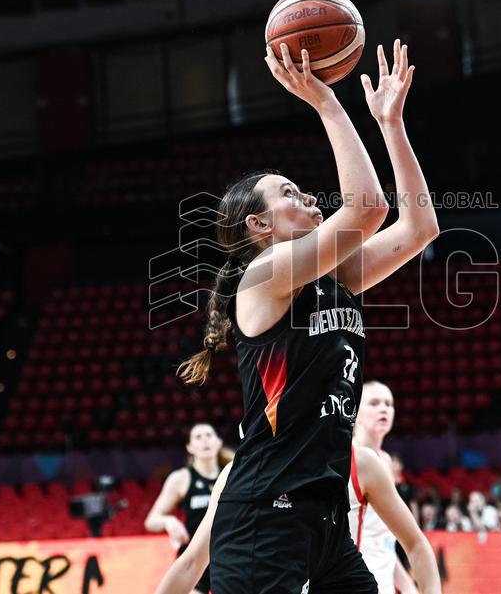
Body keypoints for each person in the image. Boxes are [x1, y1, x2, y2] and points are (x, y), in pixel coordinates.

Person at [175, 39, 438, 594]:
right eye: (289, 194)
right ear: (259, 227)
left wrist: (392, 124)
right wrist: (325, 101)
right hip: (263, 517)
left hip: (325, 516)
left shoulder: (334, 276)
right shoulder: (262, 280)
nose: (309, 198)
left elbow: (420, 229)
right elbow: (367, 207)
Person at [155, 446, 442, 594]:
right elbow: (192, 560)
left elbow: (413, 543)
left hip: (345, 568)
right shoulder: (240, 474)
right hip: (282, 574)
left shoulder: (360, 462)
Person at [144, 424, 231, 594]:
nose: (205, 440)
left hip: (228, 563)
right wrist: (168, 521)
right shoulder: (181, 478)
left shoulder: (233, 475)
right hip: (195, 563)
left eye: (209, 435)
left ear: (218, 442)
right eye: (198, 437)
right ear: (189, 447)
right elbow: (150, 521)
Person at [351, 381, 420, 594]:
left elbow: (385, 541)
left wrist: (409, 588)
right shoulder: (345, 457)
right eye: (374, 403)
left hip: (383, 582)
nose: (384, 409)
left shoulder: (386, 462)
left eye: (388, 404)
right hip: (351, 580)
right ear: (356, 411)